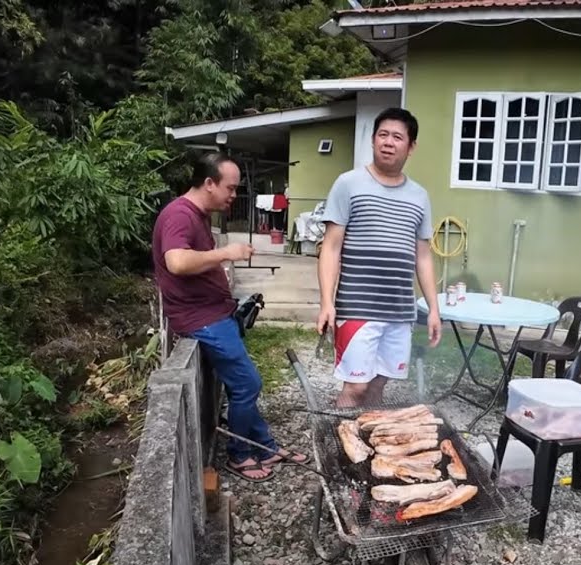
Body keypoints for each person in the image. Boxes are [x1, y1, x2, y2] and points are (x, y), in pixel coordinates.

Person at [152, 152, 306, 480]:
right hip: (200, 318)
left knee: (243, 384)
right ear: (209, 183)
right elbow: (177, 262)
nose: (234, 195)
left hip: (214, 313)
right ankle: (239, 455)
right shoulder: (179, 214)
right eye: (231, 188)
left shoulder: (199, 214)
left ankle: (265, 447)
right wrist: (226, 253)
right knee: (247, 384)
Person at [315, 107, 441, 408]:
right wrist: (326, 302)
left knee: (378, 384)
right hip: (357, 307)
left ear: (411, 147)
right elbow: (331, 247)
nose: (388, 142)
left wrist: (433, 309)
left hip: (399, 311)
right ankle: (341, 432)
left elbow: (423, 256)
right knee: (356, 387)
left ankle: (366, 436)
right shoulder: (348, 184)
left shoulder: (419, 196)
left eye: (397, 137)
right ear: (372, 140)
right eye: (382, 135)